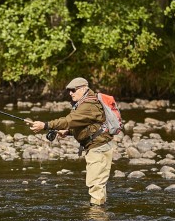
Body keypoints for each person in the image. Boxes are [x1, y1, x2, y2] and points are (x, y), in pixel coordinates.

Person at [26, 77, 114, 206]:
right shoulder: (88, 102)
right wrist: (68, 132)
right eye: (69, 91)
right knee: (99, 184)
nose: (70, 93)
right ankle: (99, 211)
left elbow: (69, 121)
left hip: (97, 148)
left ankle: (97, 218)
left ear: (83, 88)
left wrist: (45, 125)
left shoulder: (88, 106)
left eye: (73, 90)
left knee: (95, 184)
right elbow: (89, 126)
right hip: (100, 145)